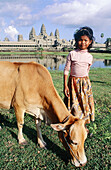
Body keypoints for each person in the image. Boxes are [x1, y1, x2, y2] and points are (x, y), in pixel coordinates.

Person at [64, 26, 95, 123]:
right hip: (73, 83)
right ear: (76, 41)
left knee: (84, 103)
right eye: (80, 40)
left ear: (90, 42)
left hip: (84, 83)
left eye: (86, 40)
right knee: (73, 102)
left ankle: (83, 122)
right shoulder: (72, 54)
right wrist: (65, 86)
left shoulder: (89, 57)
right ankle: (73, 120)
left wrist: (86, 85)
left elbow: (87, 71)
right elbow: (66, 71)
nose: (83, 42)